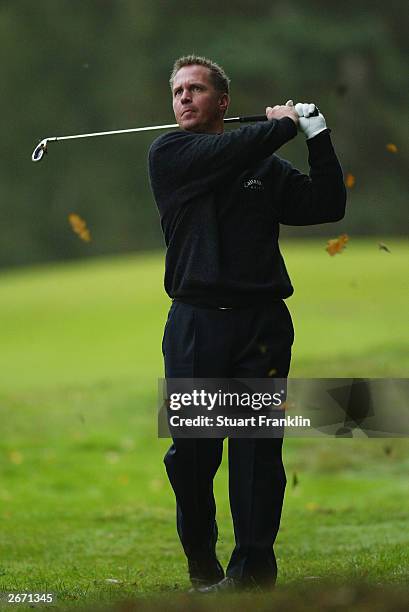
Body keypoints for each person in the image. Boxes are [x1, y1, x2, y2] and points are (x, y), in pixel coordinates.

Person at [148, 55, 346, 593]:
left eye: (196, 90)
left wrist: (316, 137)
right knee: (192, 454)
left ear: (223, 102)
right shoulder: (170, 153)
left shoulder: (263, 164)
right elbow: (227, 150)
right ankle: (202, 564)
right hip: (196, 325)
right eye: (177, 91)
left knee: (258, 452)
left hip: (261, 326)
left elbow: (326, 205)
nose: (184, 98)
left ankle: (252, 570)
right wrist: (279, 125)